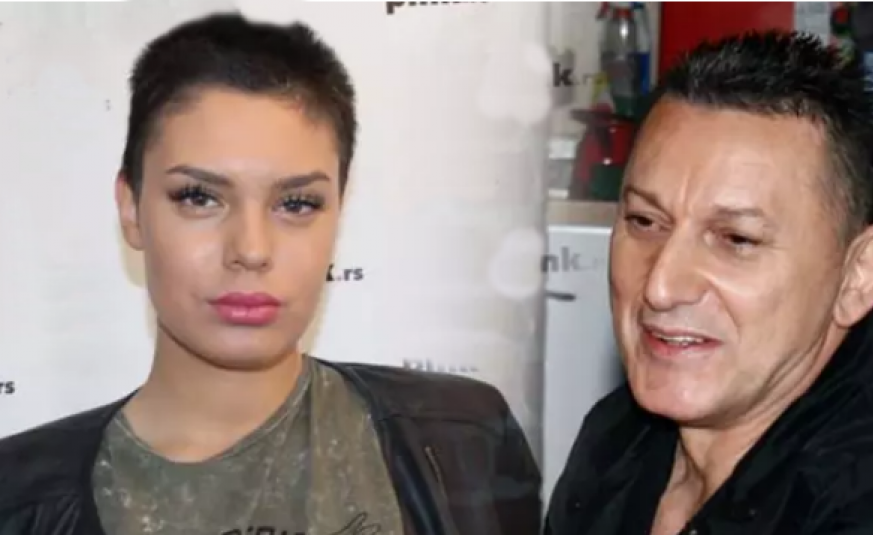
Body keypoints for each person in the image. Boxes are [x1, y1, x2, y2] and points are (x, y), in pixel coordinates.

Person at [0, 13, 540, 535]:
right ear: (131, 208)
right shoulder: (18, 498)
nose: (252, 250)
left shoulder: (464, 439)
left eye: (297, 203)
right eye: (199, 197)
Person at [546, 30, 873, 535]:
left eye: (736, 239)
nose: (660, 286)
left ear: (859, 274)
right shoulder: (622, 438)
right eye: (644, 221)